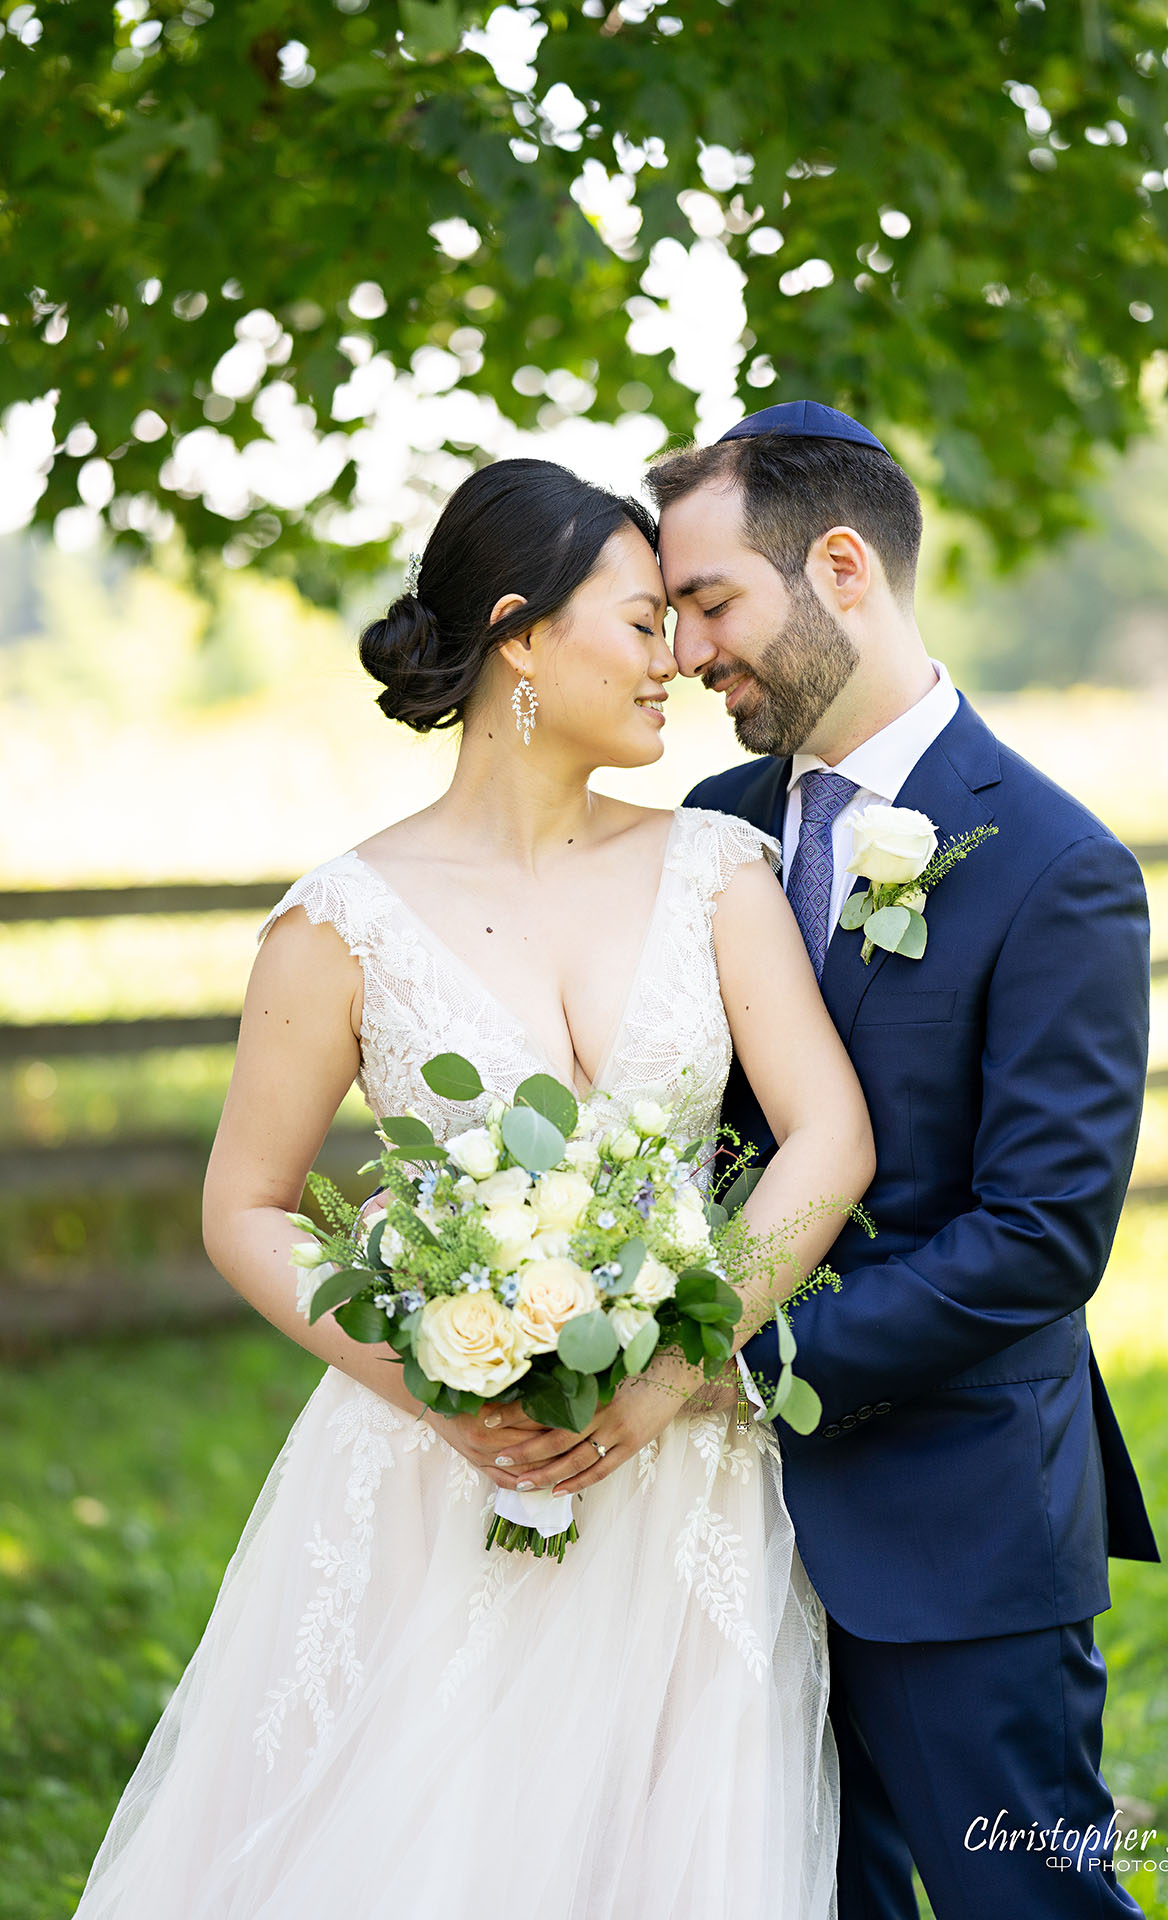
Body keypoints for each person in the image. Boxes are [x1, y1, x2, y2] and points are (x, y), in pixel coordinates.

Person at [71, 456, 874, 1920]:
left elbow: (829, 1138)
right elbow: (245, 1206)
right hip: (435, 1470)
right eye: (641, 625)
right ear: (519, 633)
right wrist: (434, 1384)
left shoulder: (717, 868)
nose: (678, 666)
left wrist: (683, 1366)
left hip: (681, 1467)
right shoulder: (343, 922)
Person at [648, 399, 1160, 1920]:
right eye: (672, 614)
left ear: (845, 568)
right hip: (717, 1532)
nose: (687, 653)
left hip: (957, 1529)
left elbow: (1041, 1236)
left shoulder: (1060, 868)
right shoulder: (710, 828)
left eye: (711, 600)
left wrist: (732, 1358)